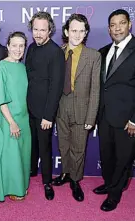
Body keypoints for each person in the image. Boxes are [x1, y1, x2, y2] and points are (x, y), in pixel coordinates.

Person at [94, 9, 135, 211]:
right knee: (107, 156)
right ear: (108, 29)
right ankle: (109, 183)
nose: (117, 28)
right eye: (113, 25)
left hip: (128, 120)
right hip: (104, 116)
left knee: (123, 158)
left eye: (121, 23)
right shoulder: (103, 51)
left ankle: (115, 194)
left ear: (129, 24)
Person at [52, 14, 101, 202]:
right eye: (74, 30)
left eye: (82, 31)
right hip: (60, 106)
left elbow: (96, 90)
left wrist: (91, 118)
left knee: (78, 148)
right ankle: (65, 173)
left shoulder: (93, 56)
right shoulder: (58, 52)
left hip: (82, 109)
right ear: (66, 32)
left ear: (86, 33)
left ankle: (75, 180)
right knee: (63, 145)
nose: (77, 34)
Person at [0, 31, 31, 202]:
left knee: (22, 154)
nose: (18, 49)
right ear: (8, 47)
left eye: (21, 46)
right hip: (9, 118)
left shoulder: (23, 67)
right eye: (14, 45)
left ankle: (20, 185)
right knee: (11, 155)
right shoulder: (1, 67)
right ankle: (11, 188)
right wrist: (11, 122)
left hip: (24, 118)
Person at [25, 11, 65, 200]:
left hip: (44, 113)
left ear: (50, 30)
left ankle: (47, 182)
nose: (38, 33)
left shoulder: (56, 52)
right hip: (29, 108)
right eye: (35, 29)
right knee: (31, 144)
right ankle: (32, 170)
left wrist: (48, 116)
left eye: (43, 30)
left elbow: (56, 87)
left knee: (45, 147)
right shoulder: (31, 47)